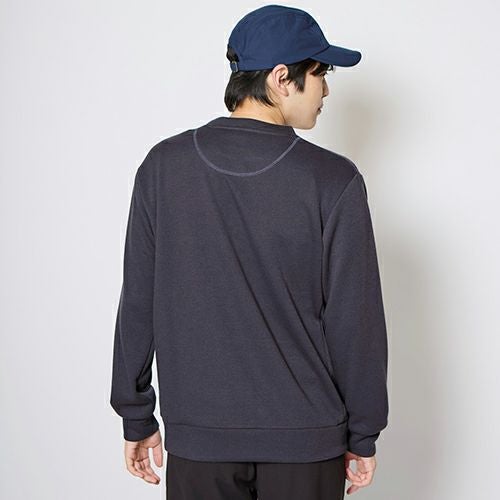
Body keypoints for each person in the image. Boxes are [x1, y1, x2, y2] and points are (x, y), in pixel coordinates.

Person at [109, 4, 389, 499]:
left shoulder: (164, 167)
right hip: (306, 443)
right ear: (282, 78)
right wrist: (362, 435)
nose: (326, 91)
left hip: (201, 443)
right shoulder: (332, 179)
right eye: (321, 73)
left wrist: (137, 415)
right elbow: (355, 321)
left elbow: (138, 302)